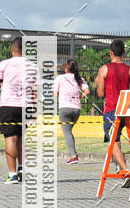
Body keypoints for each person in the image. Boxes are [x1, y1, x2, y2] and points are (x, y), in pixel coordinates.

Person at [0, 37, 31, 184]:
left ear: (12, 49)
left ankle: (12, 174)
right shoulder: (32, 66)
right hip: (26, 107)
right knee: (21, 139)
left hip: (8, 106)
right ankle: (22, 168)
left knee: (10, 140)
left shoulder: (4, 64)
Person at [96, 39, 130, 175]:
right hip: (126, 110)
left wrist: (99, 82)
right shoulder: (128, 70)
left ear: (110, 53)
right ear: (123, 53)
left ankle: (125, 170)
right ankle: (122, 169)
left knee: (113, 141)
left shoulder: (104, 69)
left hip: (111, 110)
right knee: (117, 139)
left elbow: (100, 93)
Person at [54, 59, 89, 164]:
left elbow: (55, 93)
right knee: (68, 131)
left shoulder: (60, 78)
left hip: (64, 108)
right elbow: (87, 91)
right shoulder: (79, 79)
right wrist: (80, 96)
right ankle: (74, 154)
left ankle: (74, 156)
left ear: (67, 68)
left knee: (67, 132)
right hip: (76, 109)